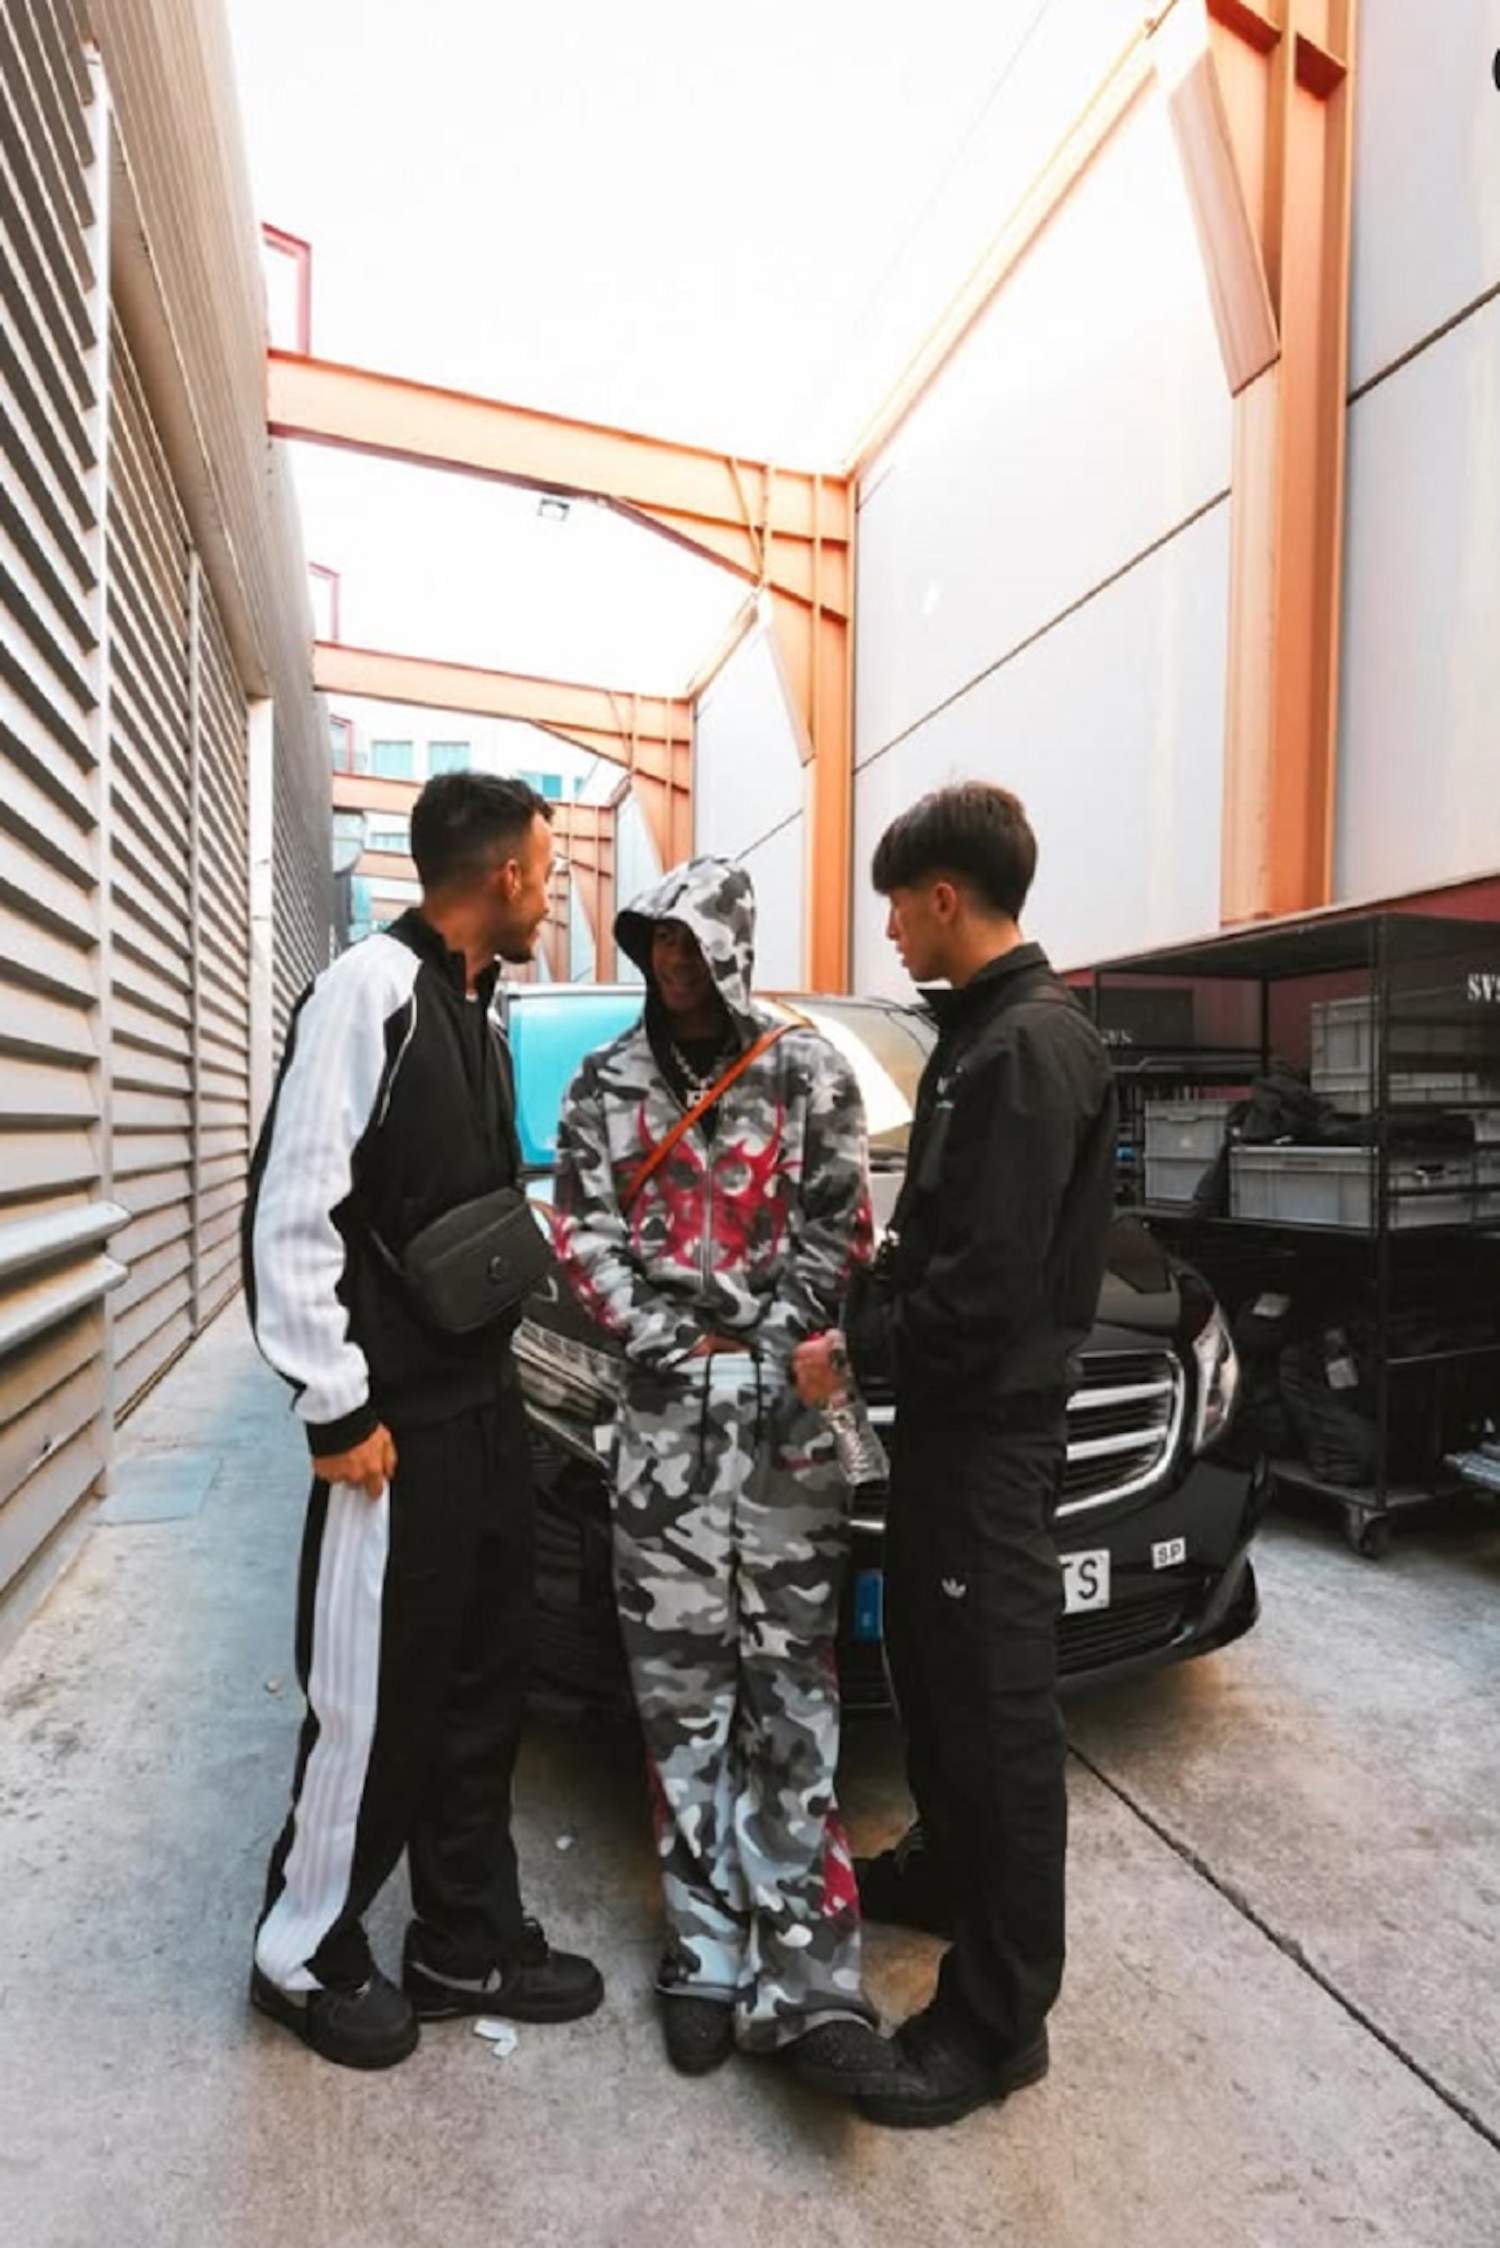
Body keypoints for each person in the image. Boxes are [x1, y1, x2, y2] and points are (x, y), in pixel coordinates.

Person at [244, 771, 602, 2070]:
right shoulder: (369, 994)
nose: (554, 894)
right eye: (551, 872)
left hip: (484, 1406)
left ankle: (460, 1936)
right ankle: (303, 1950)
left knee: (482, 1683)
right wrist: (334, 1404)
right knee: (376, 1699)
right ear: (503, 874)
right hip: (389, 1429)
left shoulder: (473, 1010)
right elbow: (295, 1208)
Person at [794, 782, 1117, 2130]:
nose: (888, 929)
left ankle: (996, 2024)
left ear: (944, 896)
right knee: (931, 1677)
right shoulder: (985, 1037)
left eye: (896, 902)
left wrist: (856, 1353)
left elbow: (980, 1289)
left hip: (987, 1441)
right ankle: (942, 1867)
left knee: (996, 1721)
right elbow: (937, 1249)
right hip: (952, 1434)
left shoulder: (1025, 1052)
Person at [550, 857, 897, 2096]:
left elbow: (836, 1227)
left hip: (786, 1443)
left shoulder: (807, 1073)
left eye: (694, 945)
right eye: (658, 943)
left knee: (795, 1698)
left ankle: (808, 1974)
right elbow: (580, 1235)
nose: (673, 966)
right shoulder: (603, 1085)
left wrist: (758, 1354)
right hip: (659, 1446)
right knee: (681, 1700)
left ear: (735, 950)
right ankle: (703, 1951)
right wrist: (672, 1348)